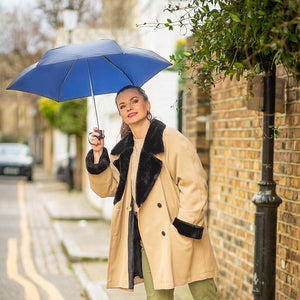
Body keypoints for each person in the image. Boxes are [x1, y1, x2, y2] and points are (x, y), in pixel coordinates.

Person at [86, 85, 219, 299]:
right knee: (157, 297)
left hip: (181, 231)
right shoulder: (123, 151)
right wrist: (98, 153)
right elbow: (108, 188)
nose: (129, 107)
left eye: (134, 101)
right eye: (122, 105)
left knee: (205, 295)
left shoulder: (169, 138)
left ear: (147, 105)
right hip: (148, 239)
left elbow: (193, 184)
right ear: (120, 114)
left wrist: (183, 226)